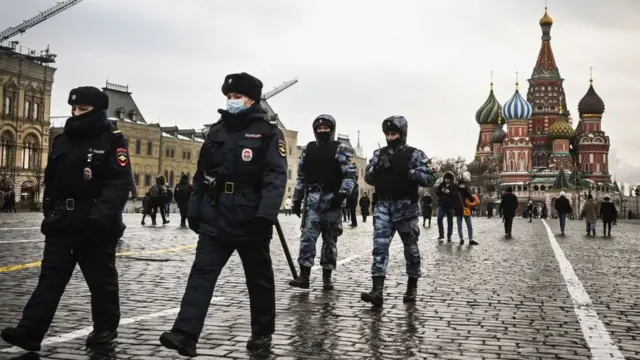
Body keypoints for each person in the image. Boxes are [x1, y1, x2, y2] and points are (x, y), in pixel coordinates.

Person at [158, 72, 286, 356]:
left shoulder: (267, 133)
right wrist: (194, 209)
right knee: (201, 273)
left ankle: (262, 333)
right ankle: (185, 334)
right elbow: (202, 175)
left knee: (258, 279)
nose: (232, 102)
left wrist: (266, 214)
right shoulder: (218, 131)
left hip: (251, 216)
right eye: (229, 97)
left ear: (252, 99)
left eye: (237, 97)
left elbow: (276, 176)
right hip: (217, 213)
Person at [1, 86, 130, 351]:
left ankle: (105, 329)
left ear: (98, 110)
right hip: (63, 221)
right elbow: (52, 180)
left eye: (83, 109)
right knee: (50, 277)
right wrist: (51, 211)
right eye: (74, 108)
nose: (76, 113)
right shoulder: (62, 140)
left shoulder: (112, 140)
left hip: (95, 221)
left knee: (100, 280)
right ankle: (30, 332)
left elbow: (119, 183)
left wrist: (102, 218)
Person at [360, 116, 437, 306]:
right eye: (387, 133)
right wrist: (377, 168)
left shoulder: (414, 154)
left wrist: (409, 172)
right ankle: (377, 290)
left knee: (410, 249)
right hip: (383, 207)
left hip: (405, 208)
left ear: (402, 134)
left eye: (393, 133)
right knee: (379, 248)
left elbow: (431, 178)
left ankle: (412, 286)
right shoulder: (379, 153)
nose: (390, 136)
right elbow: (368, 178)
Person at [289, 114, 357, 291]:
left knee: (330, 241)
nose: (322, 132)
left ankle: (327, 276)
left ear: (332, 130)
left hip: (331, 199)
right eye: (319, 129)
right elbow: (301, 176)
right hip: (312, 199)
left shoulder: (340, 149)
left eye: (326, 129)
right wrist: (297, 198)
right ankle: (304, 275)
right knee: (307, 238)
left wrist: (342, 195)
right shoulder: (309, 149)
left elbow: (350, 175)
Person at [455, 178, 478, 246]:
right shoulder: (456, 192)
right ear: (459, 185)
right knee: (459, 226)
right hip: (459, 211)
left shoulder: (466, 191)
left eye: (463, 184)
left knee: (469, 226)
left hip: (466, 210)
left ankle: (470, 239)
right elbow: (453, 201)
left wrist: (473, 208)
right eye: (461, 184)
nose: (462, 185)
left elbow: (471, 200)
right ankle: (461, 239)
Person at [435, 171, 456, 241]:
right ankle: (441, 234)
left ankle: (449, 235)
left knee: (450, 221)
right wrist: (441, 190)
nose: (446, 180)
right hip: (442, 205)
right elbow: (437, 192)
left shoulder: (454, 185)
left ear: (451, 179)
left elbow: (455, 195)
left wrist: (449, 192)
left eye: (448, 179)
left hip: (450, 206)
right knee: (439, 218)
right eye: (445, 179)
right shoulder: (441, 184)